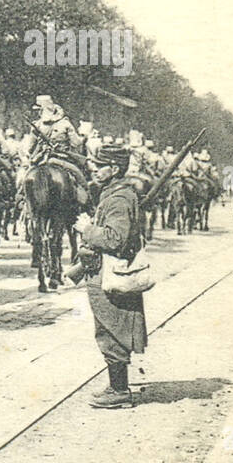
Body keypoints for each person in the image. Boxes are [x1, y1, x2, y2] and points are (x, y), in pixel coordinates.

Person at [75, 142, 148, 409]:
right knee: (108, 327)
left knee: (111, 329)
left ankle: (119, 391)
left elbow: (115, 239)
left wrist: (87, 229)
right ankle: (117, 386)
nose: (93, 167)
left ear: (114, 169)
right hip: (106, 270)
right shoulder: (115, 192)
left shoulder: (118, 198)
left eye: (99, 164)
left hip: (110, 272)